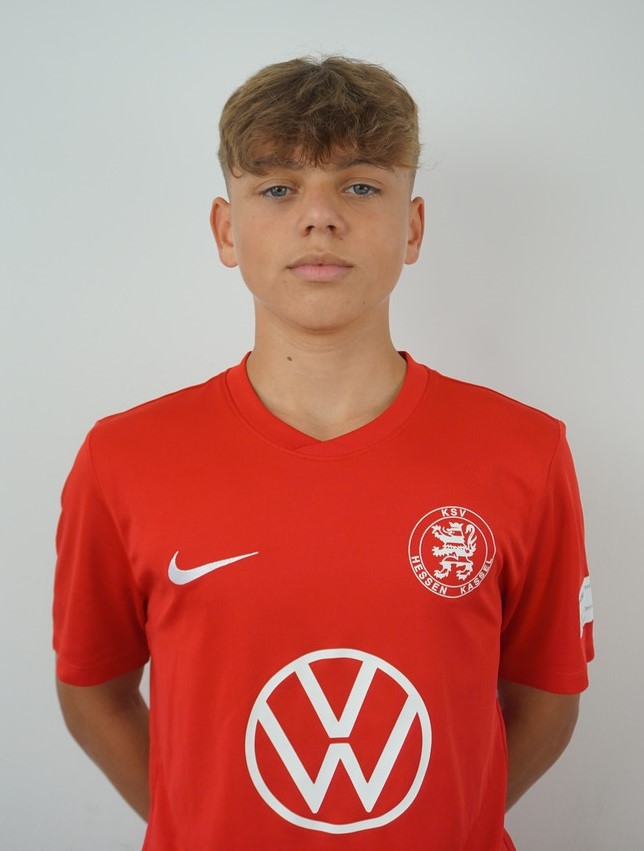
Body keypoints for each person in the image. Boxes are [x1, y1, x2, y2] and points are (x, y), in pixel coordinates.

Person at [53, 56, 594, 850]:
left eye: (361, 185)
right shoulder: (123, 457)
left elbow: (547, 697)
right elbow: (93, 691)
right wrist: (196, 821)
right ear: (225, 230)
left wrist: (448, 818)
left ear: (412, 227)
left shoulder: (526, 451)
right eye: (278, 188)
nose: (320, 217)